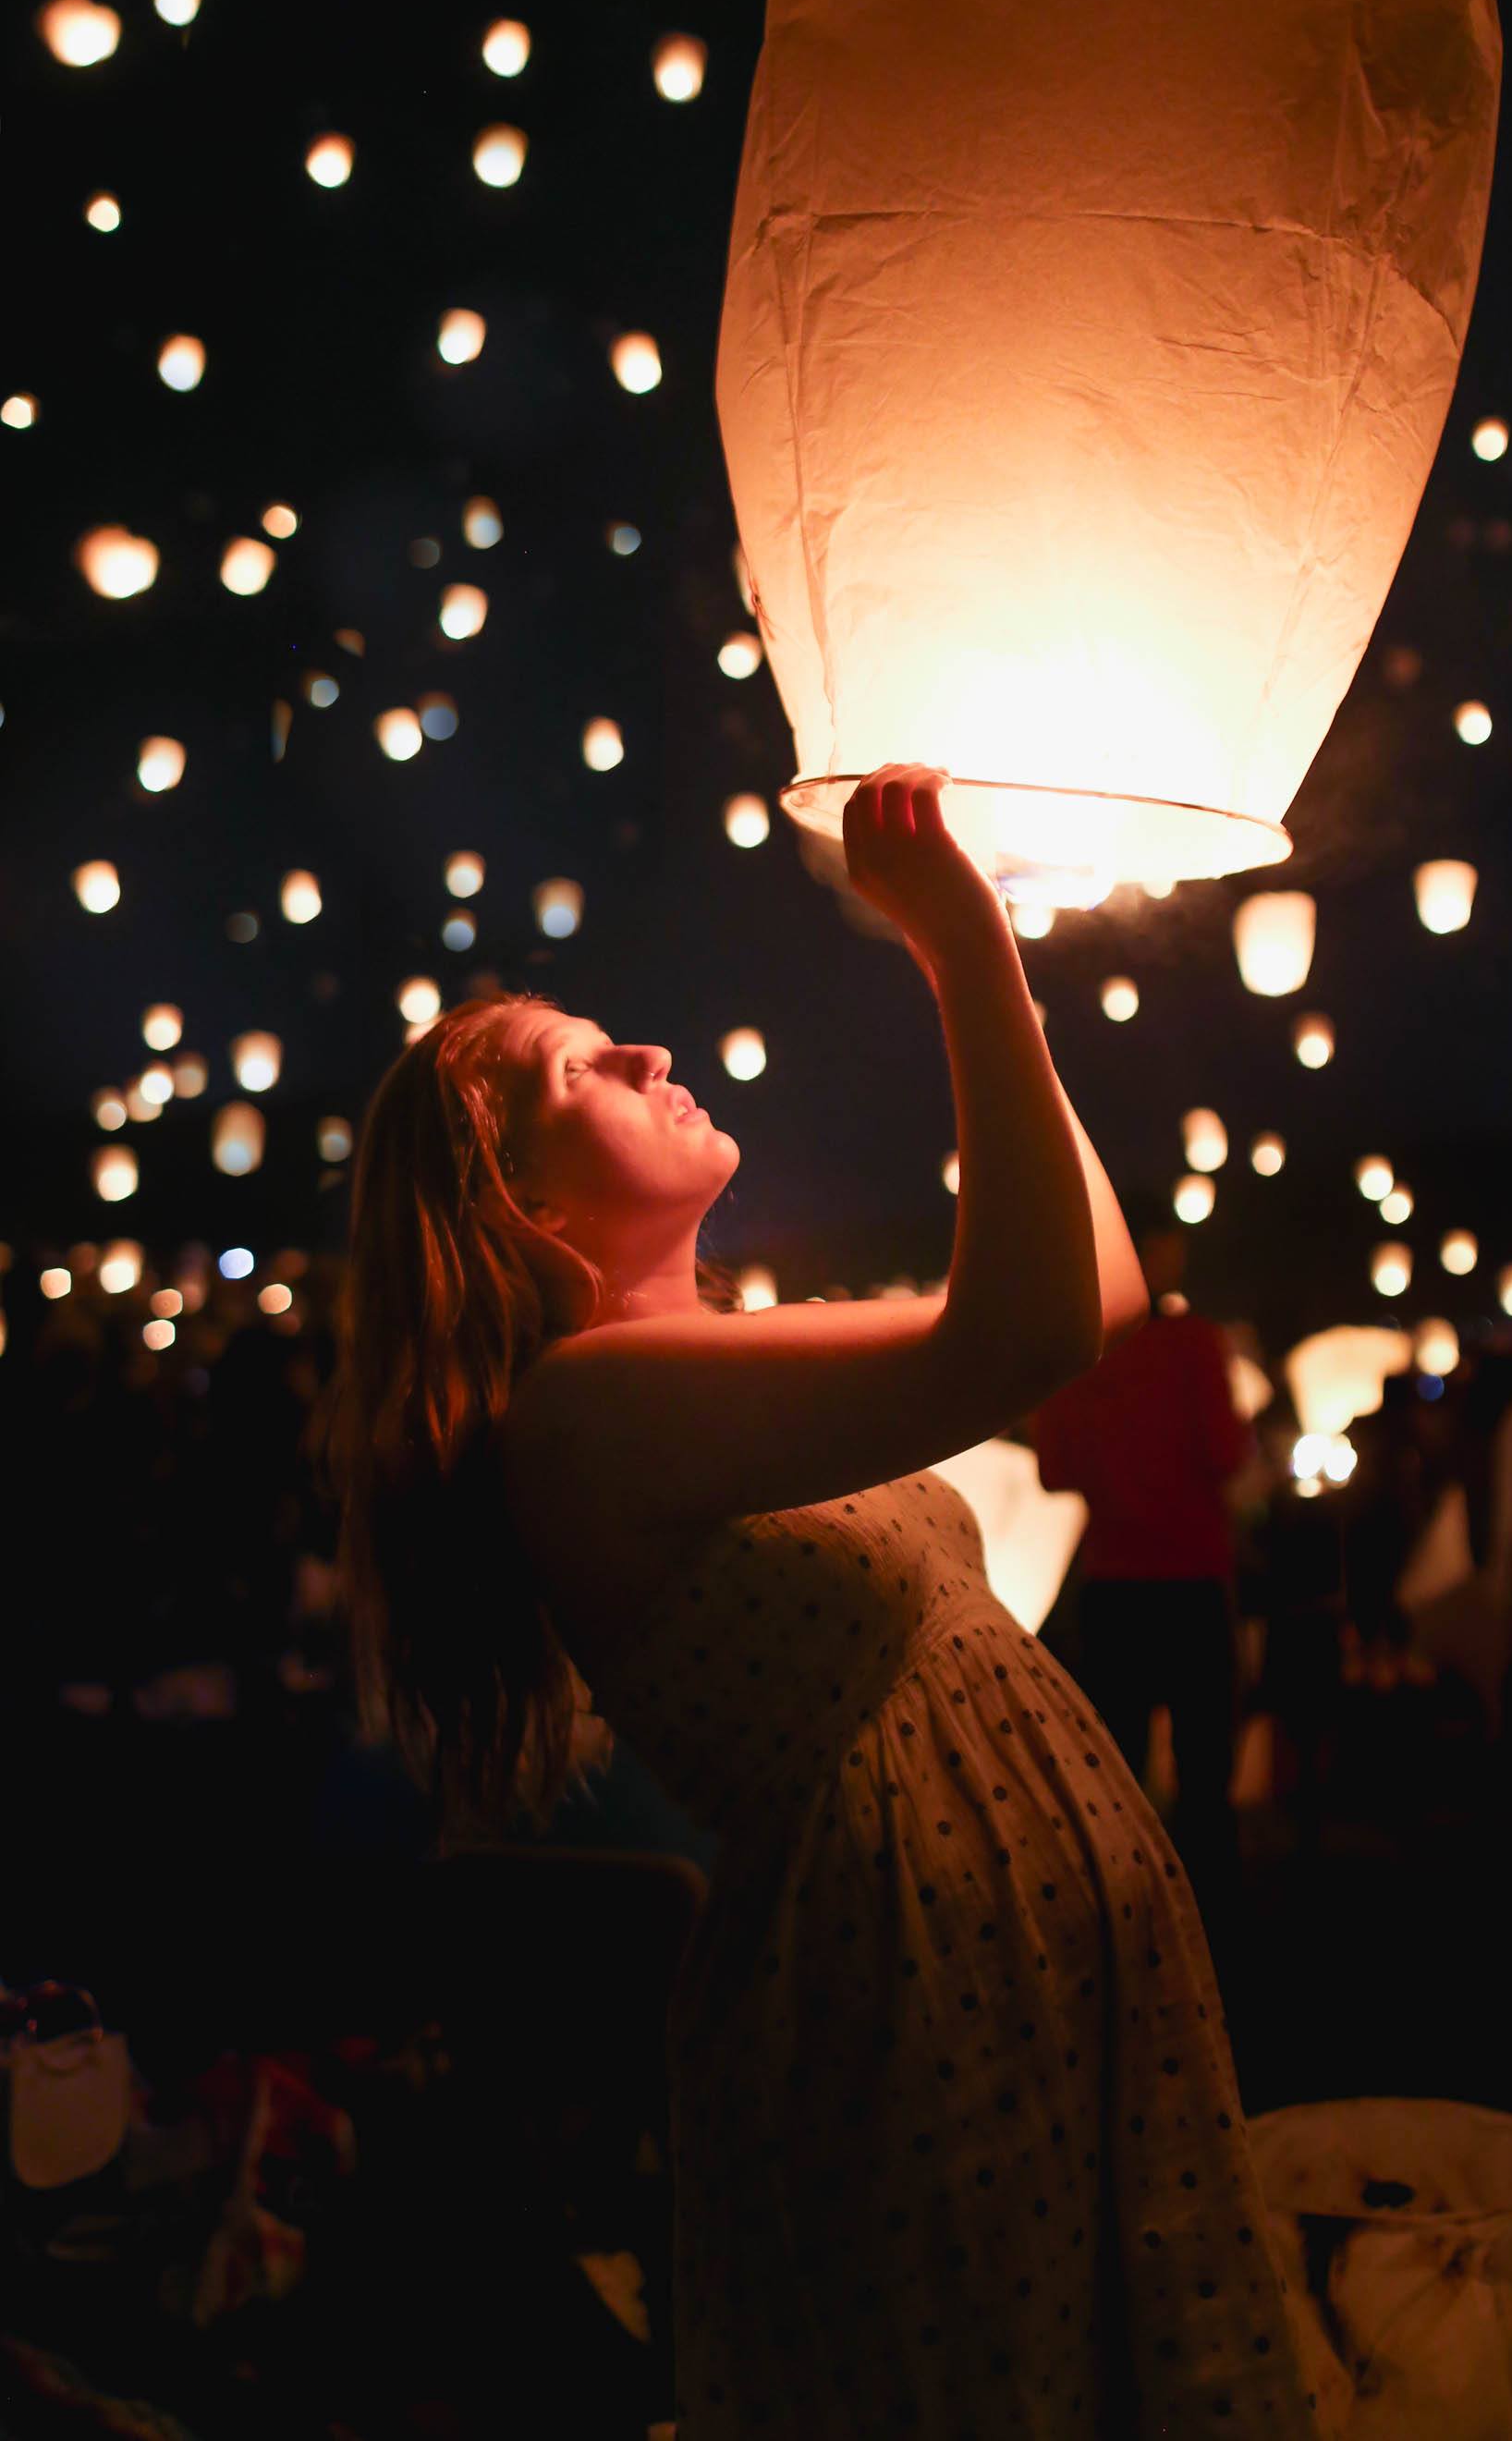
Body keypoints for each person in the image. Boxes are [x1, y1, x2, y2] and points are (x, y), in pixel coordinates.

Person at [321, 764, 1317, 2439]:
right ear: (522, 1205)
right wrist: (961, 945)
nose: (648, 1054)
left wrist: (986, 971)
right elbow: (1022, 1332)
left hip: (1003, 1956)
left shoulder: (721, 1361)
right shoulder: (581, 1410)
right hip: (905, 1994)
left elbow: (1095, 1294)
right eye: (581, 1067)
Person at [1025, 1203, 1252, 1934]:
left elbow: (1055, 1472)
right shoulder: (1194, 1344)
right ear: (1154, 1251)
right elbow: (1226, 1454)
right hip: (1192, 1578)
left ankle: (1124, 1925)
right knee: (1205, 1778)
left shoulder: (1076, 1351)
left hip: (1113, 1586)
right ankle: (1212, 1931)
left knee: (1117, 1778)